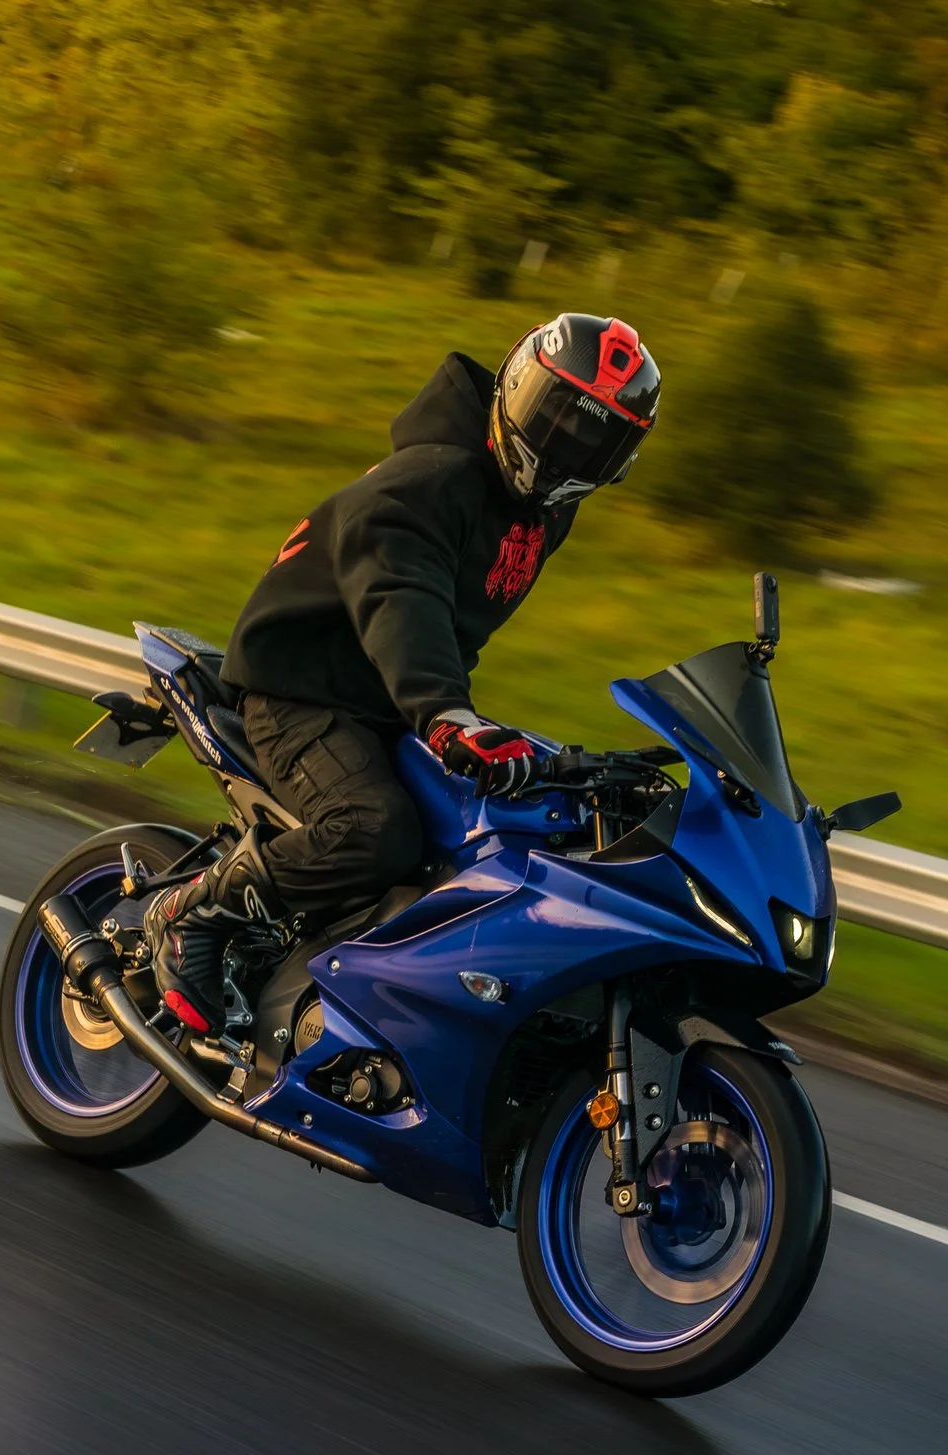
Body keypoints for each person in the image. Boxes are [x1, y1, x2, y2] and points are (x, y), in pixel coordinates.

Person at [142, 312, 664, 1034]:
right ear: (516, 386)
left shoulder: (542, 514)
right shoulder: (433, 477)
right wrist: (445, 712)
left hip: (390, 699)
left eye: (595, 438)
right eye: (555, 417)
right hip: (307, 687)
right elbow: (402, 596)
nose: (563, 447)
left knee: (496, 844)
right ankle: (192, 917)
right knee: (373, 829)